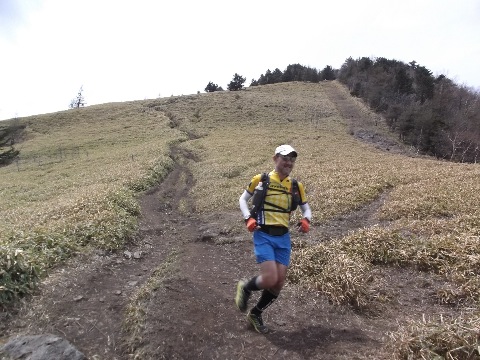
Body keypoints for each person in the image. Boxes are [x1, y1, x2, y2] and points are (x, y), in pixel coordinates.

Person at [236, 144, 312, 333]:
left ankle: (256, 313)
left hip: (283, 237)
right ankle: (246, 287)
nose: (289, 162)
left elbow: (306, 208)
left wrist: (306, 220)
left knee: (279, 282)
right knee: (270, 278)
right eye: (285, 158)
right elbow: (242, 199)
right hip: (263, 234)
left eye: (292, 159)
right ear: (275, 159)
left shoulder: (296, 186)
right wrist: (248, 218)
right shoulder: (261, 180)